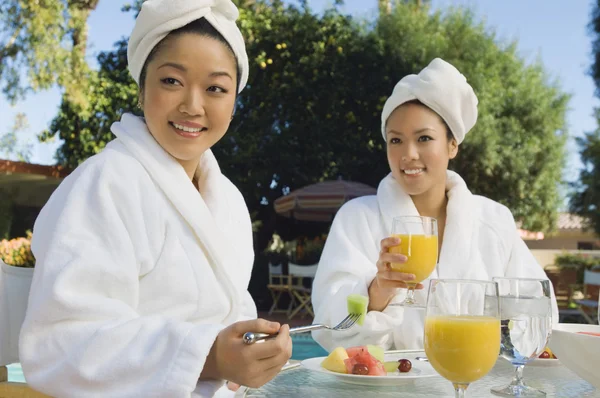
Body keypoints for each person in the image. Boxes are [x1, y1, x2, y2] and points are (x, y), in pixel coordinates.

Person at [18, 1, 291, 397]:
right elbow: (60, 343)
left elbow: (229, 311)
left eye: (215, 88)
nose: (192, 106)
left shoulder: (228, 201)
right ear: (142, 86)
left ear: (234, 102)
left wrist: (252, 347)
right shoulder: (105, 183)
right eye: (171, 81)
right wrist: (208, 357)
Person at [311, 58, 559, 352]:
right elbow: (327, 328)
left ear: (452, 145)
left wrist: (503, 348)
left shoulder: (493, 219)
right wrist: (377, 292)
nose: (408, 154)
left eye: (424, 138)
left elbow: (538, 310)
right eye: (395, 140)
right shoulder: (357, 219)